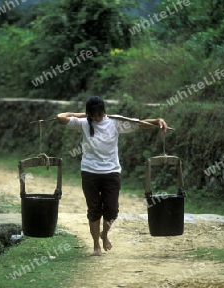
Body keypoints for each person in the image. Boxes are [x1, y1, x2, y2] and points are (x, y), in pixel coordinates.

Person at [57, 96, 168, 256]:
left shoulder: (115, 123)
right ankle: (96, 246)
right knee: (94, 210)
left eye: (99, 115)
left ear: (104, 112)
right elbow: (60, 118)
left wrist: (158, 120)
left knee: (112, 210)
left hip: (111, 172)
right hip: (89, 172)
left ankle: (104, 235)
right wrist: (79, 115)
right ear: (89, 114)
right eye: (93, 115)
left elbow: (140, 124)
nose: (97, 118)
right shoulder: (83, 123)